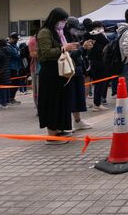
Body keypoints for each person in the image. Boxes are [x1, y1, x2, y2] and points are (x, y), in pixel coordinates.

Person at [37, 8, 79, 144]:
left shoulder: (58, 32)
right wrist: (63, 48)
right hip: (49, 72)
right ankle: (51, 134)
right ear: (54, 19)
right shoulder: (44, 32)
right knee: (52, 102)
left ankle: (59, 129)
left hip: (59, 72)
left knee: (61, 101)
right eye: (62, 20)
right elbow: (45, 52)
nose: (64, 23)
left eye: (65, 21)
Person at [64, 17, 94, 131]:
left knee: (78, 97)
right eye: (73, 28)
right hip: (70, 70)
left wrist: (85, 46)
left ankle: (77, 120)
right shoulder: (63, 37)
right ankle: (69, 122)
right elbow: (70, 55)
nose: (75, 31)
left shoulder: (73, 36)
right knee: (71, 97)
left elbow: (78, 51)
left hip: (78, 69)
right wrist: (82, 48)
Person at [86, 21, 110, 111]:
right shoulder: (98, 35)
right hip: (99, 62)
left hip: (94, 62)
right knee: (100, 83)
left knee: (98, 83)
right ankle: (97, 104)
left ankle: (97, 103)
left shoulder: (90, 35)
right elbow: (108, 42)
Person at [6, 33, 23, 105]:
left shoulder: (15, 46)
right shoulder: (9, 47)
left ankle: (11, 98)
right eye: (15, 39)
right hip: (11, 68)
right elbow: (16, 56)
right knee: (14, 83)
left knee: (16, 83)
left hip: (16, 67)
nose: (16, 40)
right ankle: (10, 98)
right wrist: (22, 54)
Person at [27, 32, 39, 109]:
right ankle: (39, 106)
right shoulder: (33, 40)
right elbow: (33, 54)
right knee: (37, 89)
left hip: (44, 67)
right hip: (36, 68)